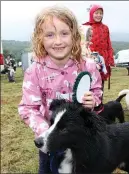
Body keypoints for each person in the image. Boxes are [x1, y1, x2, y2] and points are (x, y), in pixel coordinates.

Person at [18, 5, 102, 174]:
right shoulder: (35, 71)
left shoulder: (89, 66)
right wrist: (47, 132)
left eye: (64, 33)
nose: (58, 41)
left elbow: (97, 91)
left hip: (80, 140)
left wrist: (94, 100)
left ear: (74, 35)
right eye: (50, 34)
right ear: (39, 38)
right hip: (50, 142)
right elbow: (28, 108)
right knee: (48, 170)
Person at [82, 4, 115, 93]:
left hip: (103, 60)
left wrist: (110, 59)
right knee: (88, 83)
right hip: (89, 59)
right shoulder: (85, 27)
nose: (99, 15)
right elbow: (81, 44)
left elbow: (108, 44)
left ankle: (99, 105)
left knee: (100, 85)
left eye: (101, 13)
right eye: (96, 13)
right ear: (92, 13)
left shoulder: (105, 28)